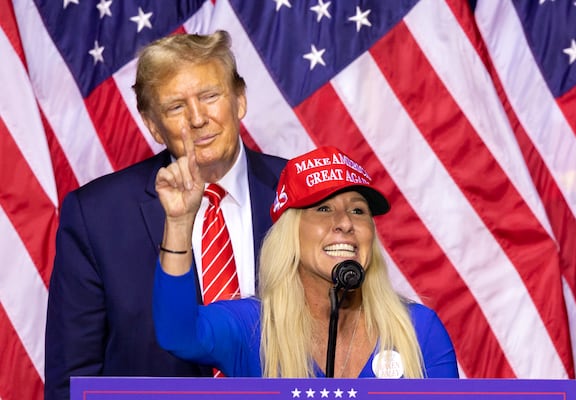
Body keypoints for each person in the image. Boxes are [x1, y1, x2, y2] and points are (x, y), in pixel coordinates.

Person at [44, 31, 287, 399]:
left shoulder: (303, 192)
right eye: (176, 107)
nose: (197, 118)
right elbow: (73, 378)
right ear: (153, 125)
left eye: (210, 96)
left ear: (239, 100)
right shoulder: (96, 216)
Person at [153, 145, 459, 378]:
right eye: (323, 210)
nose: (345, 223)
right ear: (291, 233)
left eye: (358, 210)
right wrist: (179, 225)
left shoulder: (419, 330)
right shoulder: (252, 328)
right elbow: (179, 335)